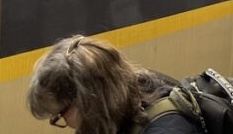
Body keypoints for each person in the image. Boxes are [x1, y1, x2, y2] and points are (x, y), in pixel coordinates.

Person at [27, 36, 196, 134]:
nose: (66, 123)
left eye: (61, 115)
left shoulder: (167, 129)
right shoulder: (121, 105)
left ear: (87, 101)